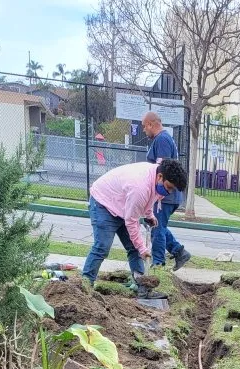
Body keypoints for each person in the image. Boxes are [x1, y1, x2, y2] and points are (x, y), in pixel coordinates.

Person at [81, 158, 188, 288]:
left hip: (123, 204)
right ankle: (85, 285)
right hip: (103, 203)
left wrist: (149, 215)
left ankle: (142, 286)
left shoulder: (156, 179)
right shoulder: (140, 186)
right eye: (169, 187)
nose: (169, 192)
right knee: (102, 247)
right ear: (160, 176)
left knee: (134, 248)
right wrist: (142, 249)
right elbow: (131, 221)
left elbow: (150, 197)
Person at [142, 111, 191, 271]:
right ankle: (179, 252)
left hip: (164, 196)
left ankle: (158, 264)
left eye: (144, 126)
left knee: (157, 229)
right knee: (159, 227)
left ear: (150, 124)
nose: (144, 130)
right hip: (168, 195)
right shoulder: (164, 138)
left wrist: (159, 194)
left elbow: (162, 172)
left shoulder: (162, 140)